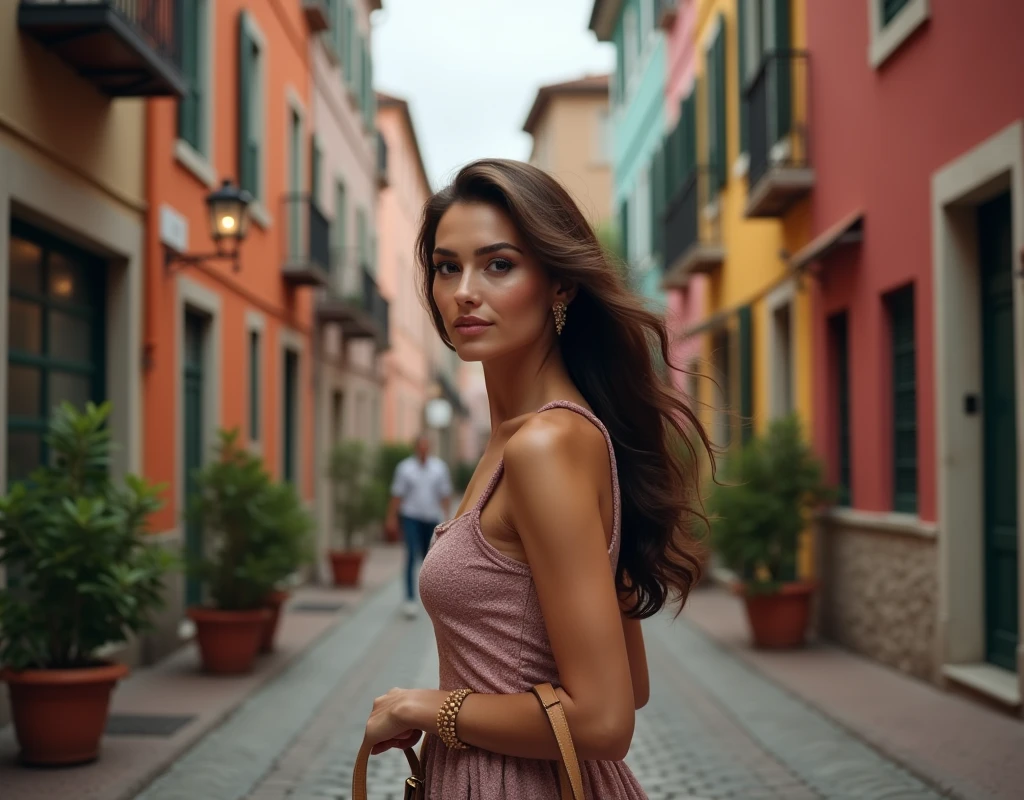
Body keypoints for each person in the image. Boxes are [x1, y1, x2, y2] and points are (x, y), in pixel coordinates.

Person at [361, 160, 712, 798]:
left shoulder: (545, 445)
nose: (465, 290)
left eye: (499, 264)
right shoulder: (520, 440)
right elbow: (631, 680)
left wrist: (426, 708)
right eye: (447, 266)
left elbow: (608, 719)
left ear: (560, 286)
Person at [386, 434, 452, 619]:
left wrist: (448, 518)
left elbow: (445, 494)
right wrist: (391, 518)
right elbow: (397, 495)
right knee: (410, 554)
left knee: (428, 559)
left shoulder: (439, 468)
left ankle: (430, 598)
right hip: (411, 517)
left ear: (429, 448)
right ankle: (409, 599)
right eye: (420, 446)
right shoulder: (405, 468)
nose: (423, 450)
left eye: (426, 446)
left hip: (431, 518)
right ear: (416, 448)